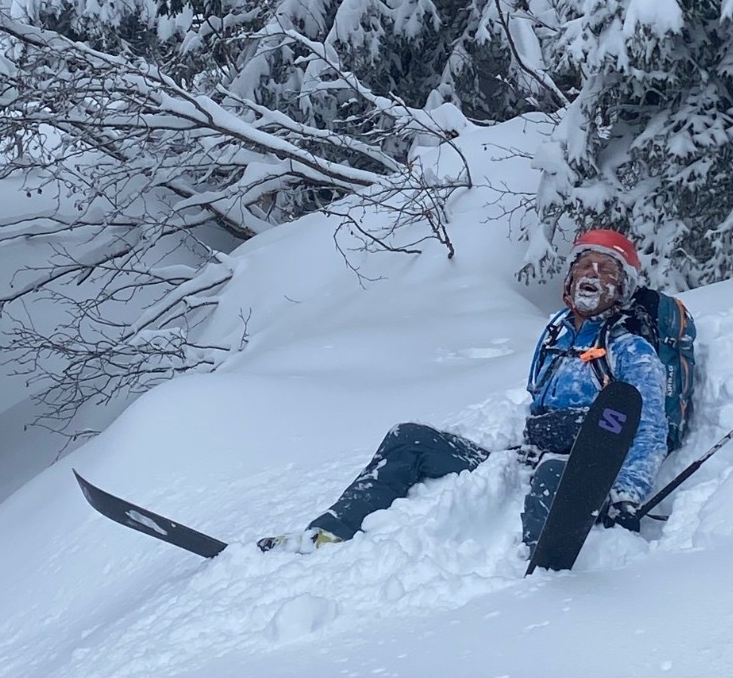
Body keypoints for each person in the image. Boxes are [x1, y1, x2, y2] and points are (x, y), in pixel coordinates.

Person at [268, 230, 669, 556]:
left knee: (553, 474)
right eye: (585, 265)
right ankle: (326, 534)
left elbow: (648, 428)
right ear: (569, 278)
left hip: (582, 472)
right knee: (409, 440)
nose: (593, 275)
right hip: (526, 459)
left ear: (623, 287)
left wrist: (627, 495)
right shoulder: (556, 339)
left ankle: (538, 577)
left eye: (606, 270)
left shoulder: (631, 351)